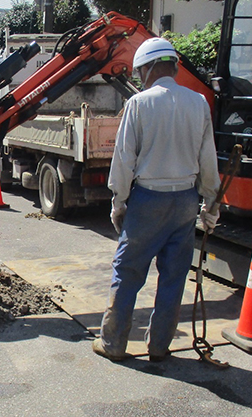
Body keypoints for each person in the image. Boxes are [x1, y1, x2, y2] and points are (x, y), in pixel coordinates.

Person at [92, 38, 220, 362]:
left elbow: (124, 158)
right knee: (174, 275)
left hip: (148, 199)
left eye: (140, 72)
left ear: (147, 68)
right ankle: (159, 346)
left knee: (128, 270)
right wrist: (210, 203)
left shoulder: (139, 103)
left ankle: (113, 343)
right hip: (186, 200)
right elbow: (209, 158)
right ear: (174, 65)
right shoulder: (199, 103)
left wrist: (118, 200)